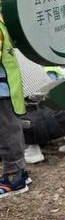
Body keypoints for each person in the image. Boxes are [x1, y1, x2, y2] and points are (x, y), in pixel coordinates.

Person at [0, 18, 31, 197]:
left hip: (3, 90)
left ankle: (14, 176)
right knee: (10, 129)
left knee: (7, 132)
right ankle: (19, 172)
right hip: (6, 88)